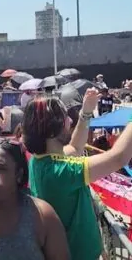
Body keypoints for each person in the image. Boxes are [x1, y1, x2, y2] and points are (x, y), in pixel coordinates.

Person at [23, 89, 132, 260]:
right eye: (65, 117)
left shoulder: (39, 161)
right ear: (52, 130)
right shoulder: (62, 172)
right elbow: (119, 158)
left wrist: (86, 112)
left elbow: (75, 148)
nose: (70, 120)